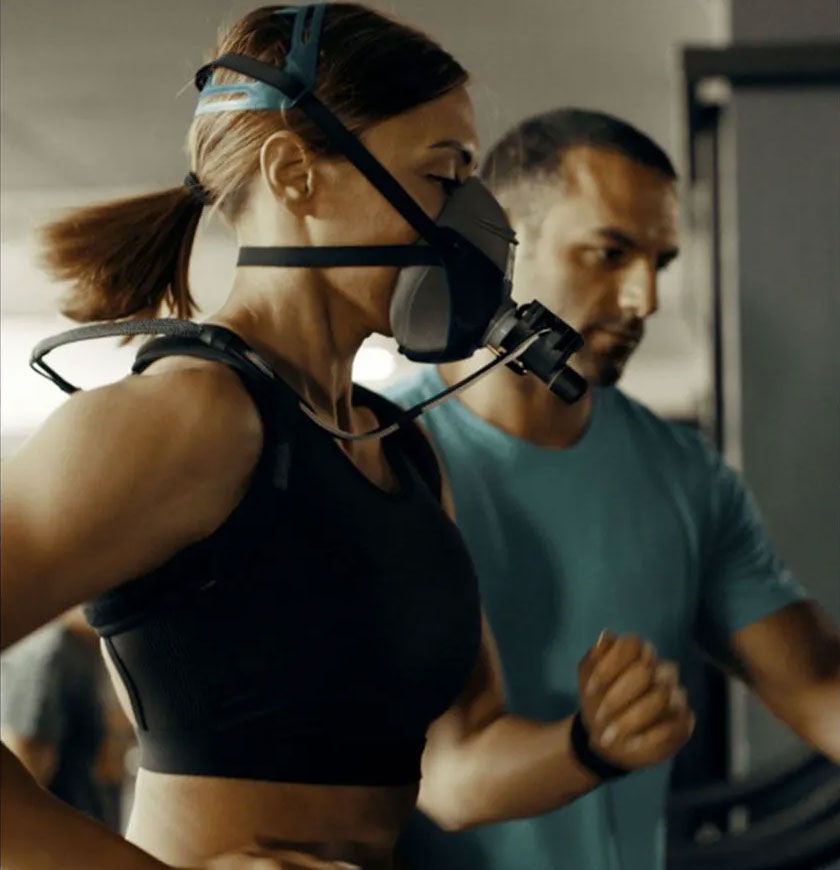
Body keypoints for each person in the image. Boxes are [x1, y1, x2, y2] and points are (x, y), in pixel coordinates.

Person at [0, 10, 696, 870]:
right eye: (443, 175)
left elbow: (452, 767)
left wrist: (591, 745)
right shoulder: (187, 416)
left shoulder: (397, 444)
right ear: (296, 175)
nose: (471, 217)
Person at [388, 108, 840, 870]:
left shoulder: (684, 473)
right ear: (497, 246)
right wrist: (588, 746)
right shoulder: (381, 453)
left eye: (658, 263)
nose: (644, 301)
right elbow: (444, 779)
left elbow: (820, 684)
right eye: (609, 253)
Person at [1, 607, 133, 833]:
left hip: (94, 838)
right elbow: (25, 764)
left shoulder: (93, 649)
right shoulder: (51, 652)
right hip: (58, 847)